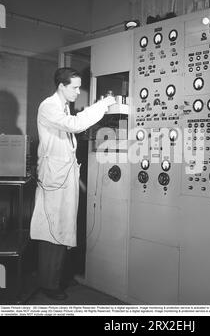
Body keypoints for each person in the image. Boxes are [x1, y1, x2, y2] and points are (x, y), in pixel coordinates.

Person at [30, 67, 116, 300]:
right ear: (61, 86)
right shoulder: (48, 106)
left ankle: (57, 277)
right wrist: (102, 105)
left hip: (63, 177)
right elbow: (74, 125)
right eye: (75, 87)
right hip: (54, 179)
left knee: (62, 229)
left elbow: (70, 130)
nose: (79, 92)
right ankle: (49, 284)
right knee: (52, 232)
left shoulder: (62, 107)